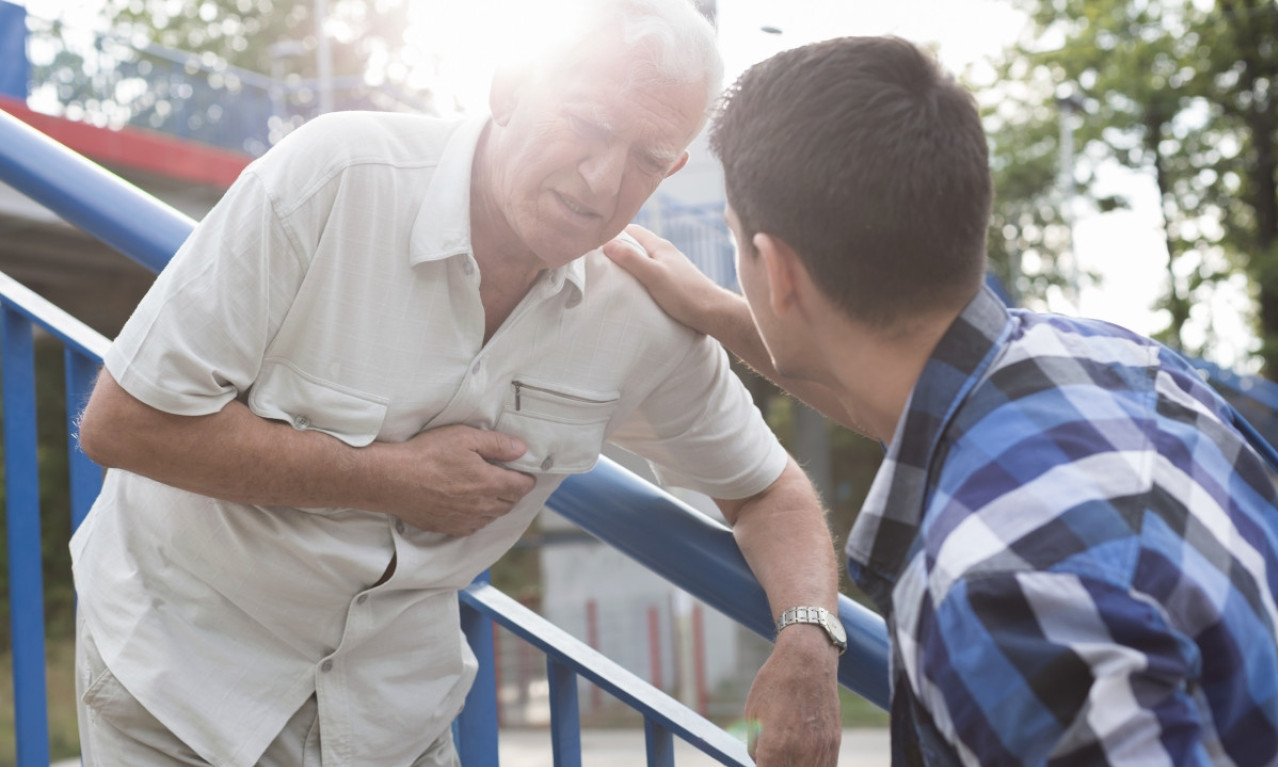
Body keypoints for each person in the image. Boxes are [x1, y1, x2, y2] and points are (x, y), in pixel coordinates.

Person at [70, 2, 847, 765]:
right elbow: (123, 423)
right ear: (510, 87)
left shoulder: (641, 311)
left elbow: (767, 493)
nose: (605, 177)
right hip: (180, 686)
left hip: (391, 723)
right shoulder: (336, 176)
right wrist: (385, 479)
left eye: (648, 157)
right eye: (589, 124)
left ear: (675, 168)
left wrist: (808, 635)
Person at [607, 35, 1278, 766]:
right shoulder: (1124, 361)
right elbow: (906, 393)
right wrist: (717, 308)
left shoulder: (994, 592)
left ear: (776, 270)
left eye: (738, 244)